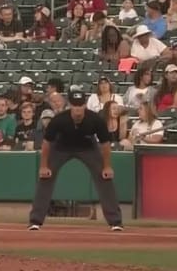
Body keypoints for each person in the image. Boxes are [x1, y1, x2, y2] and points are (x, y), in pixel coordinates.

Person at [28, 89, 123, 231]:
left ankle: (115, 221)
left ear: (85, 105)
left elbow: (105, 144)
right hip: (61, 147)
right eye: (75, 105)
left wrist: (107, 166)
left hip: (87, 147)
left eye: (80, 105)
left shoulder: (95, 119)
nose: (78, 109)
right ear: (70, 106)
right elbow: (47, 143)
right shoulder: (60, 119)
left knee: (104, 177)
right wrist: (43, 166)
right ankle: (35, 220)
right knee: (46, 177)